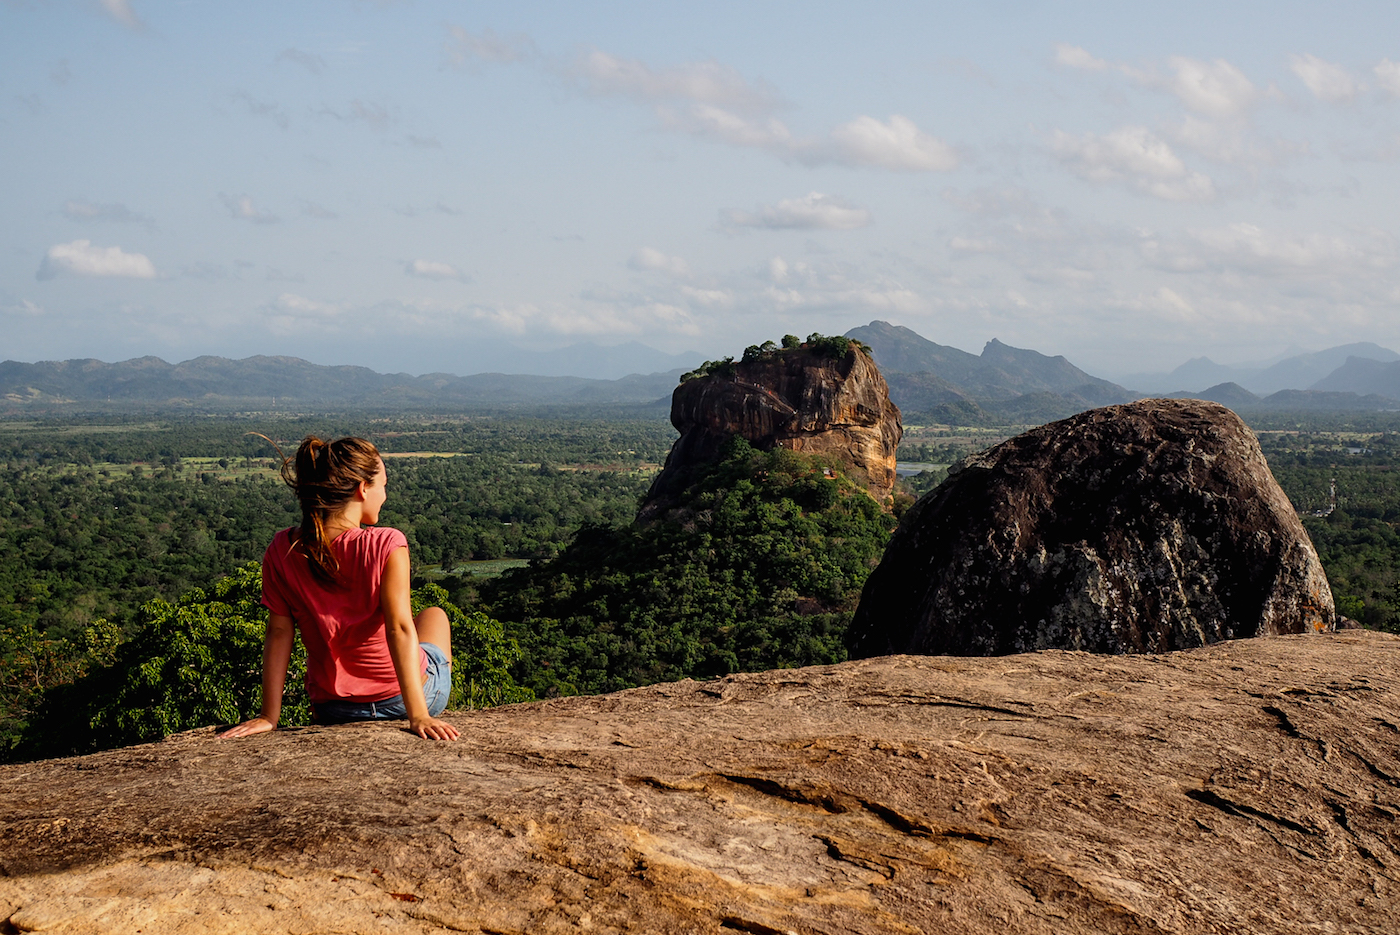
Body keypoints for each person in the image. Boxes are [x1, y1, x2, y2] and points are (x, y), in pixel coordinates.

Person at [221, 435, 460, 742]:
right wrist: (419, 716)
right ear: (362, 488)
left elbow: (279, 633)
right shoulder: (386, 544)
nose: (385, 495)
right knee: (435, 616)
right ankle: (419, 694)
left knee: (421, 620)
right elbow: (398, 629)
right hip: (400, 701)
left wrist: (270, 716)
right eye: (383, 485)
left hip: (333, 708)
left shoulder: (282, 549)